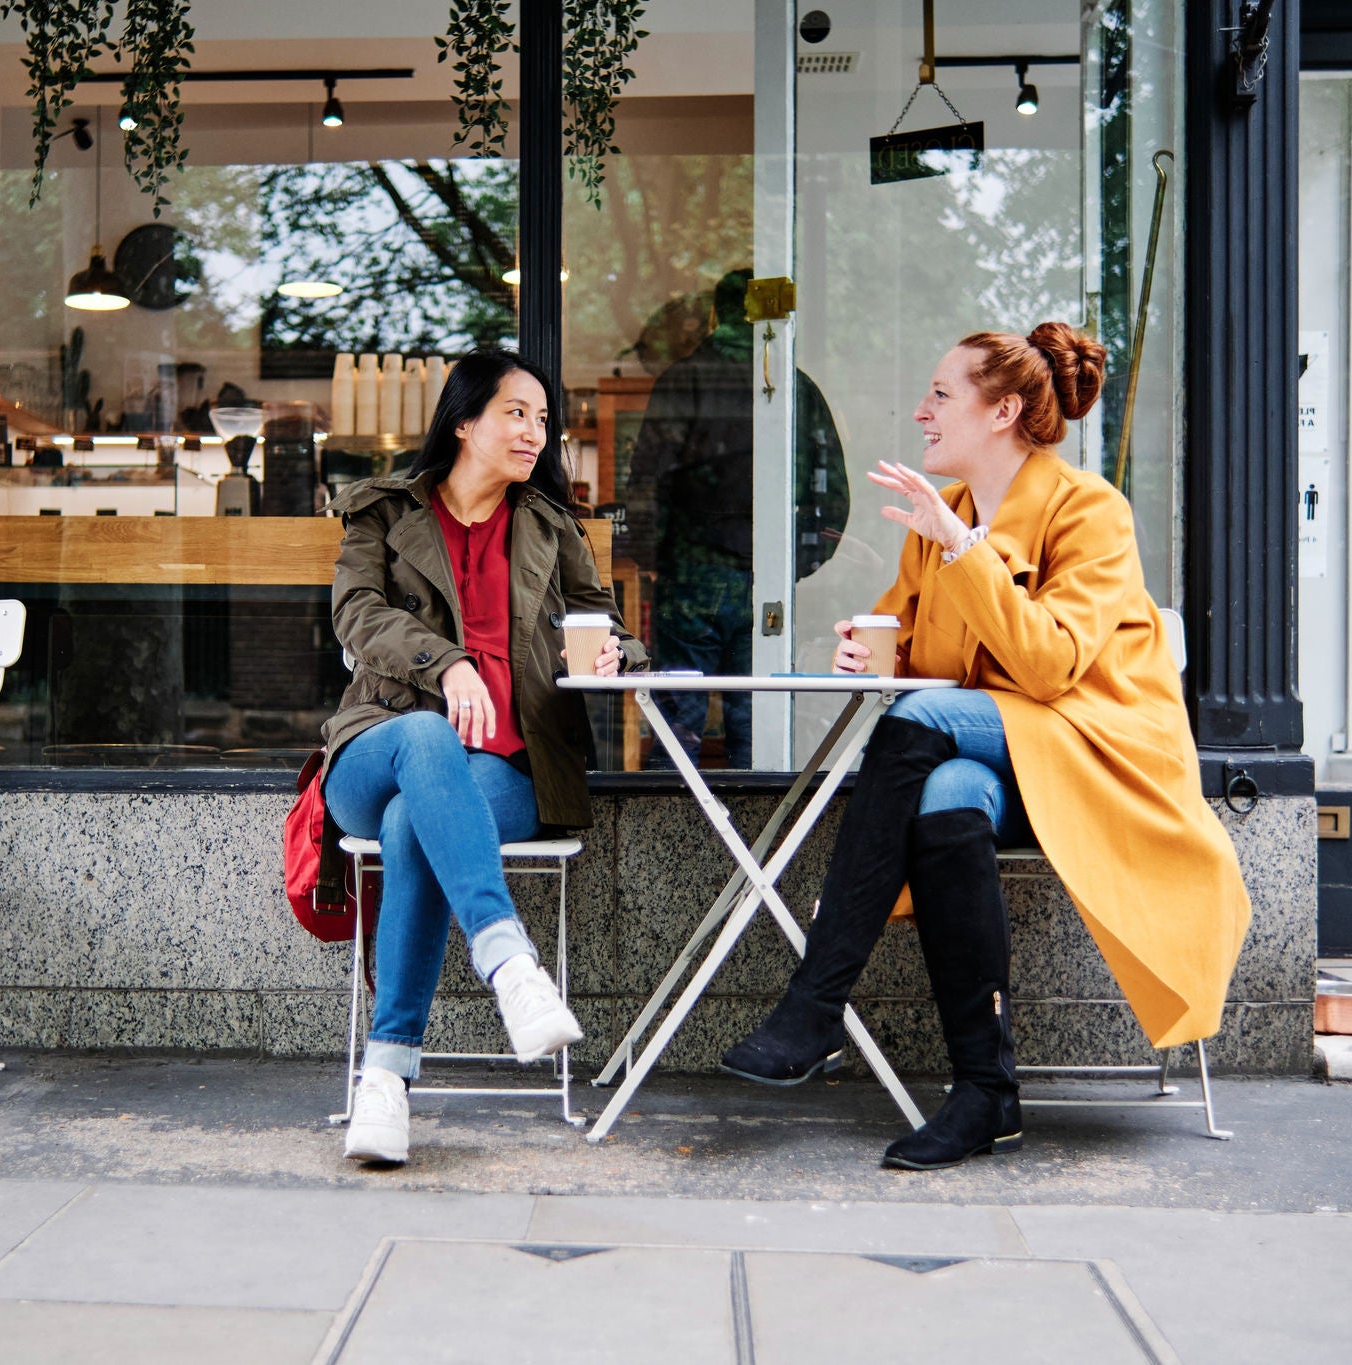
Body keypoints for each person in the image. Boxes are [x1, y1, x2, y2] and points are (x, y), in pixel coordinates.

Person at [719, 323, 1252, 1170]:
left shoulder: (1090, 512)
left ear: (1002, 410)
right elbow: (930, 659)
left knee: (919, 725)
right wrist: (868, 645)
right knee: (943, 795)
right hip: (1001, 754)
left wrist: (962, 551)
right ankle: (985, 1091)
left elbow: (1047, 666)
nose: (922, 411)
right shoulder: (947, 514)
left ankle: (817, 1001)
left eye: (941, 394)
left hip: (1098, 753)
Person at [318, 348, 648, 1165]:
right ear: (465, 421)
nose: (534, 431)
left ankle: (385, 1082)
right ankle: (509, 961)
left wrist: (615, 657)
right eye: (516, 412)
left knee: (412, 828)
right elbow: (355, 614)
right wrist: (447, 661)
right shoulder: (385, 511)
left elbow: (608, 625)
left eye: (542, 418)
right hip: (379, 743)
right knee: (424, 749)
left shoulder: (549, 525)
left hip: (509, 767)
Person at [623, 267, 850, 767]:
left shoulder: (683, 380)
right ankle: (761, 836)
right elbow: (831, 494)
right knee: (760, 730)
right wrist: (795, 564)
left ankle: (668, 836)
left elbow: (644, 484)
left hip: (689, 579)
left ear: (714, 315)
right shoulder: (796, 388)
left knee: (676, 728)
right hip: (765, 580)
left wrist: (655, 560)